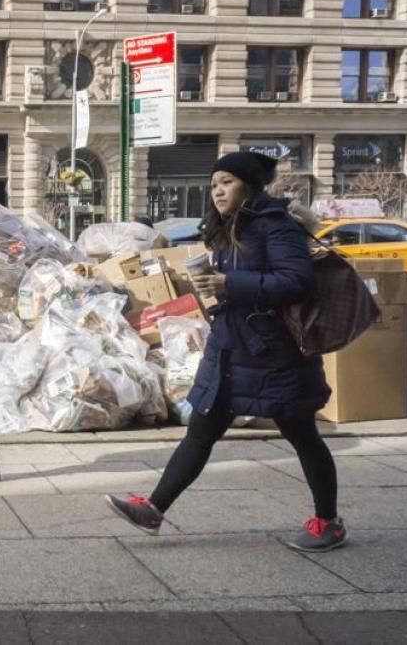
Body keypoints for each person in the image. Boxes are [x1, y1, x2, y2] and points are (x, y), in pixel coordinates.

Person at [105, 151, 347, 553]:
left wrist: (229, 283)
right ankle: (154, 508)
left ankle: (329, 522)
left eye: (227, 182)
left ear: (248, 186)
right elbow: (239, 284)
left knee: (301, 432)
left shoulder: (277, 226)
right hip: (231, 348)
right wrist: (215, 298)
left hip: (276, 352)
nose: (217, 190)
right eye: (214, 183)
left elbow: (295, 282)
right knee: (202, 428)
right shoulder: (230, 227)